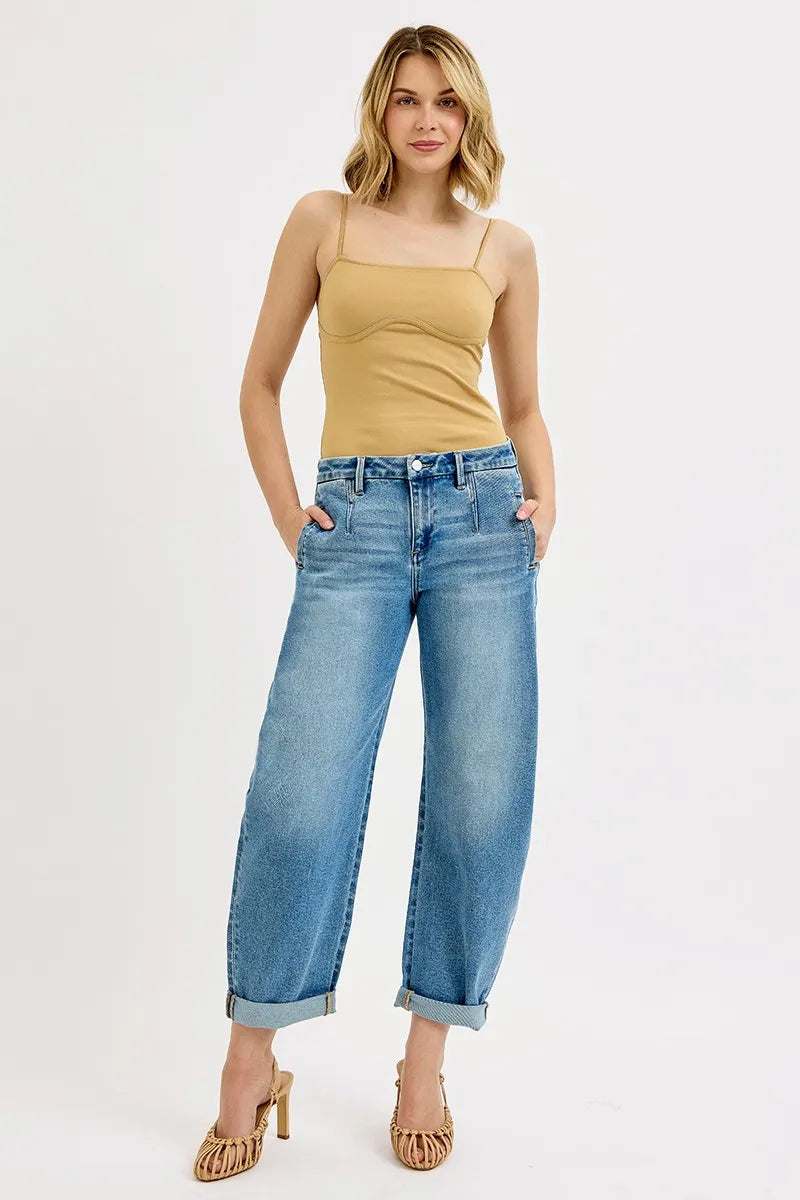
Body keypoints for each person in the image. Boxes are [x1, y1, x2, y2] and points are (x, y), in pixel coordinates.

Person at [193, 23, 556, 1181]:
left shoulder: (503, 247)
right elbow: (257, 383)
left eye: (446, 102)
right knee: (298, 793)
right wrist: (285, 509)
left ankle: (424, 1062)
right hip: (349, 524)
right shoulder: (324, 222)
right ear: (378, 112)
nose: (425, 120)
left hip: (477, 518)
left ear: (469, 118)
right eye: (405, 99)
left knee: (478, 795)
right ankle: (252, 1061)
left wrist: (543, 503)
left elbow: (526, 404)